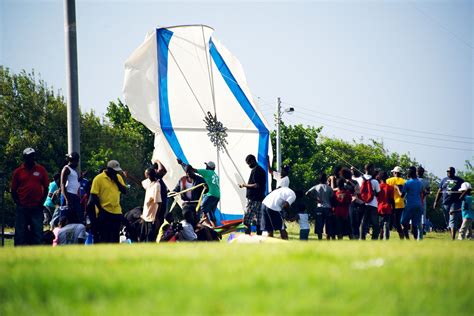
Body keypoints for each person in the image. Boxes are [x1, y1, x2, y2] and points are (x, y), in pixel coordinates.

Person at [11, 147, 49, 246]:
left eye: (33, 156)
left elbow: (46, 188)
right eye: (29, 156)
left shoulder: (41, 170)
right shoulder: (18, 172)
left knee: (37, 233)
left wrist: (41, 202)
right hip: (22, 207)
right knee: (20, 233)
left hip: (36, 207)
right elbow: (13, 190)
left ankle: (36, 254)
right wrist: (18, 203)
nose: (31, 158)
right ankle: (18, 254)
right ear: (25, 157)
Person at [88, 160, 127, 243]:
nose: (116, 173)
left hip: (116, 211)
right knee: (105, 237)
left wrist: (116, 181)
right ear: (108, 169)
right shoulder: (98, 179)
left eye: (117, 171)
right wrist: (100, 209)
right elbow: (93, 196)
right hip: (104, 211)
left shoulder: (118, 177)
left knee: (115, 237)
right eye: (114, 171)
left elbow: (124, 191)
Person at [177, 159, 220, 226]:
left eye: (206, 166)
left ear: (208, 167)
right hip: (217, 195)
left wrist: (182, 163)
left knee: (202, 207)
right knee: (210, 211)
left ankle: (208, 224)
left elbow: (192, 170)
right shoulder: (215, 175)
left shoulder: (206, 172)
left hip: (210, 194)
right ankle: (215, 226)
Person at [433, 167, 464, 240]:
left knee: (453, 219)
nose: (448, 172)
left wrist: (463, 198)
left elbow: (465, 190)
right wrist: (436, 201)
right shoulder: (444, 180)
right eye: (447, 171)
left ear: (454, 172)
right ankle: (452, 236)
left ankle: (453, 238)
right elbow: (439, 191)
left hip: (455, 202)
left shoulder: (459, 180)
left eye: (450, 171)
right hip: (445, 203)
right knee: (448, 221)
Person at [239, 154, 267, 235]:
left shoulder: (256, 170)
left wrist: (244, 185)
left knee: (246, 220)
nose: (248, 165)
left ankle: (247, 237)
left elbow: (256, 185)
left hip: (254, 199)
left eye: (248, 163)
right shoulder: (261, 170)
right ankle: (259, 237)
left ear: (252, 161)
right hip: (260, 199)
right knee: (259, 220)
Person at [356, 163, 381, 240]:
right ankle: (374, 238)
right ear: (370, 169)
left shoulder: (359, 179)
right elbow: (378, 193)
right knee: (375, 224)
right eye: (373, 169)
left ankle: (362, 238)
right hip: (373, 204)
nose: (374, 171)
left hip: (362, 204)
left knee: (363, 223)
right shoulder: (375, 181)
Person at [306, 173, 333, 240]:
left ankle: (320, 240)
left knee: (319, 225)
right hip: (328, 208)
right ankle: (328, 240)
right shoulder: (329, 188)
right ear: (325, 179)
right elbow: (332, 198)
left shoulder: (316, 187)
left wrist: (315, 199)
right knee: (328, 225)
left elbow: (307, 193)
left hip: (319, 207)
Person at [401, 167, 423, 240]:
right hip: (418, 205)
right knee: (414, 224)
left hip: (410, 205)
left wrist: (397, 189)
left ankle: (407, 239)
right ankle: (416, 239)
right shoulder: (420, 182)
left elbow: (402, 195)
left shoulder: (407, 182)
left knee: (403, 222)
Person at [140, 168, 162, 242]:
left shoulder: (156, 186)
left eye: (146, 174)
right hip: (145, 216)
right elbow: (140, 183)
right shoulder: (148, 183)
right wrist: (129, 177)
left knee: (149, 239)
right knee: (142, 237)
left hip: (151, 218)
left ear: (149, 176)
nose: (145, 176)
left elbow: (159, 203)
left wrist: (156, 218)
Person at [60, 152, 82, 223]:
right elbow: (62, 184)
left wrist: (80, 178)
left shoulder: (74, 171)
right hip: (68, 195)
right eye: (77, 161)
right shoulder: (66, 168)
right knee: (65, 218)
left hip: (74, 195)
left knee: (77, 216)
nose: (77, 163)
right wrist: (67, 199)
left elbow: (74, 182)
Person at [386, 166, 406, 239]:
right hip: (400, 204)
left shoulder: (388, 180)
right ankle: (402, 238)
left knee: (387, 221)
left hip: (390, 203)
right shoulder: (404, 181)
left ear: (394, 172)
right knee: (398, 222)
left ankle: (384, 237)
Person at [376, 171, 395, 240]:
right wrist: (394, 208)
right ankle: (386, 238)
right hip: (387, 208)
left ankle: (381, 237)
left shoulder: (378, 186)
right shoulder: (390, 187)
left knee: (380, 224)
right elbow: (392, 199)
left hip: (379, 208)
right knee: (386, 223)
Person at [348, 167, 364, 239]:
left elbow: (359, 191)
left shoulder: (360, 179)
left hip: (359, 202)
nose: (352, 171)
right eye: (351, 170)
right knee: (352, 221)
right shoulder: (348, 179)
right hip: (351, 203)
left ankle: (357, 236)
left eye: (353, 170)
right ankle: (353, 235)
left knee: (357, 221)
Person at [417, 166, 430, 239]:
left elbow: (428, 191)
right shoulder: (426, 181)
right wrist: (425, 193)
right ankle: (422, 229)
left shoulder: (415, 180)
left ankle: (420, 229)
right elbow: (428, 191)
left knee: (421, 215)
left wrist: (424, 193)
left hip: (419, 199)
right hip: (422, 200)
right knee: (422, 215)